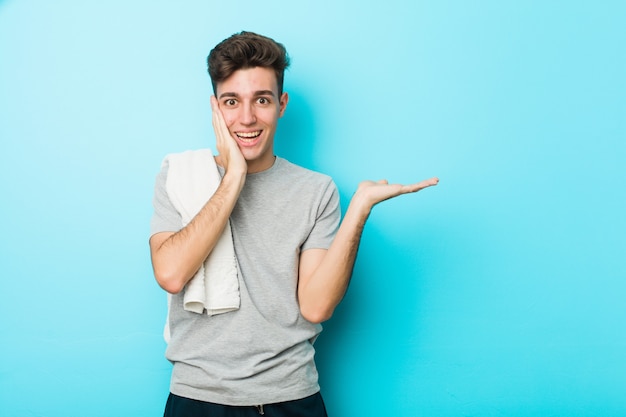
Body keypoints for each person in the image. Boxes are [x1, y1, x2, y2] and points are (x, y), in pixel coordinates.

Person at [149, 31, 438, 416]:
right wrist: (234, 176)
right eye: (232, 102)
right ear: (215, 107)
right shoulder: (181, 175)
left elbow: (316, 307)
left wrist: (359, 211)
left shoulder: (316, 191)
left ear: (281, 104)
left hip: (291, 398)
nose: (247, 117)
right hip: (197, 398)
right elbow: (170, 274)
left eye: (262, 100)